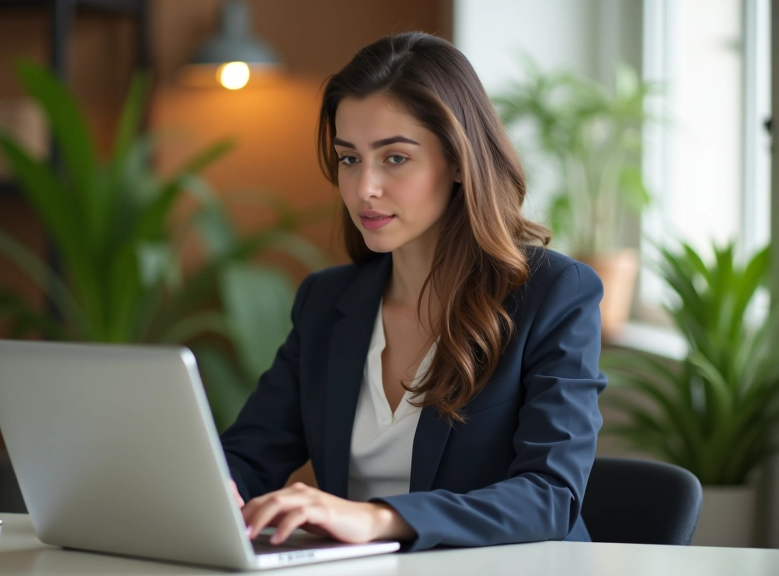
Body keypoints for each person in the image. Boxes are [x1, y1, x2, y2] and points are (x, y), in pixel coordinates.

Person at [219, 31, 608, 552]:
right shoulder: (325, 303)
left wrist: (377, 519)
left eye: (395, 158)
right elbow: (249, 455)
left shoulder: (553, 293)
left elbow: (550, 495)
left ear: (458, 162)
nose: (364, 189)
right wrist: (218, 487)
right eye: (349, 158)